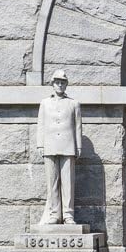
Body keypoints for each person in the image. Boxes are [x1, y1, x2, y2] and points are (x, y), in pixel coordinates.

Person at [37, 69, 82, 225]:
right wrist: (40, 144)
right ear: (53, 84)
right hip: (49, 145)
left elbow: (77, 126)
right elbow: (41, 124)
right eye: (57, 82)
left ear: (66, 84)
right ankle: (54, 214)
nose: (60, 85)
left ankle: (68, 214)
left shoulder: (74, 103)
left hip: (68, 145)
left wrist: (79, 146)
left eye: (63, 82)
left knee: (68, 182)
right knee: (52, 181)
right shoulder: (44, 103)